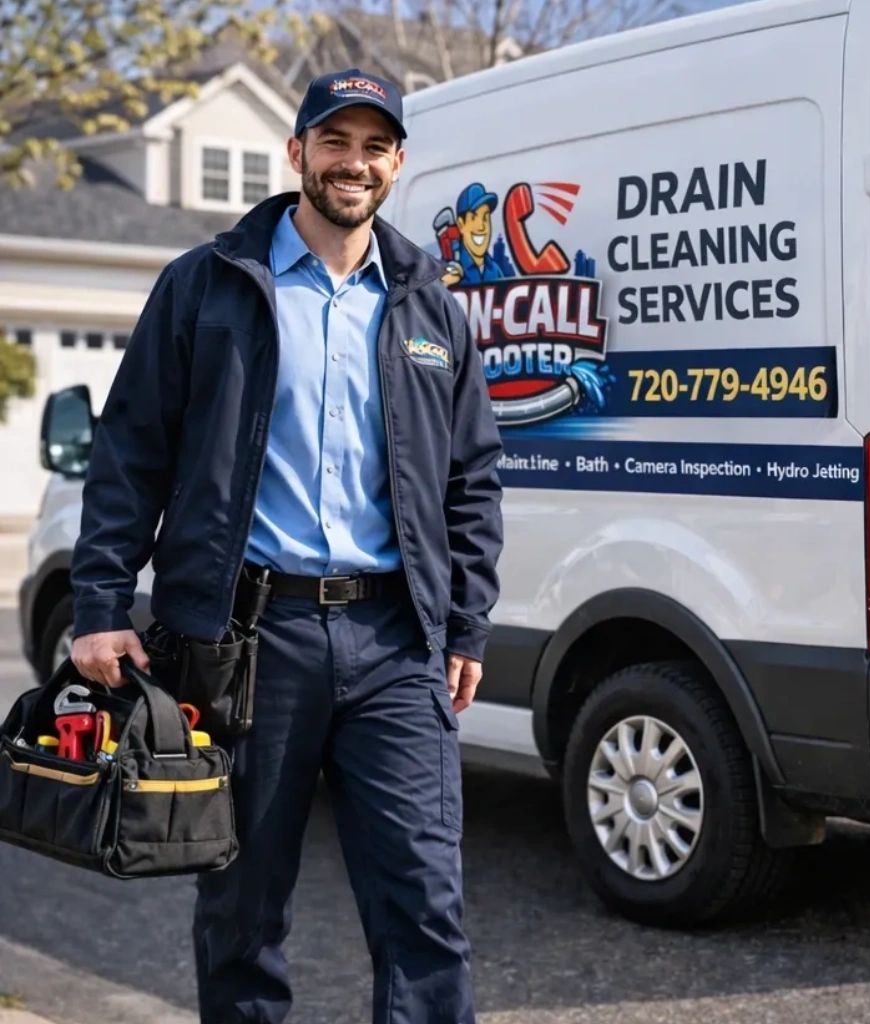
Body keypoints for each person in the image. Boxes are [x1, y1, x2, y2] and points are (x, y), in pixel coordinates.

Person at [67, 67, 504, 1024]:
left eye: (374, 146)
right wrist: (100, 606)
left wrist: (465, 624)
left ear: (396, 164)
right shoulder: (209, 287)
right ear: (297, 151)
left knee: (425, 905)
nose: (354, 163)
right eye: (334, 142)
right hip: (249, 645)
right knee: (241, 905)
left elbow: (472, 477)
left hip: (396, 643)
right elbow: (131, 450)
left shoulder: (430, 305)